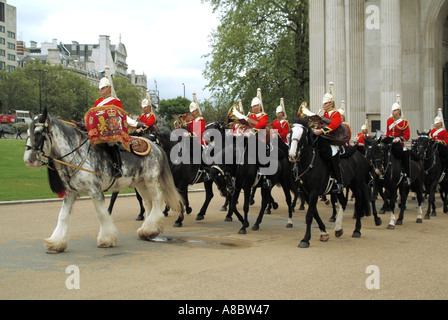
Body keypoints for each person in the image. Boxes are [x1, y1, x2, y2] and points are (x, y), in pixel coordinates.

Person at [312, 82, 344, 193]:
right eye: (323, 103)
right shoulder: (324, 114)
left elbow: (334, 126)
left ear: (331, 103)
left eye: (326, 103)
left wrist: (320, 131)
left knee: (333, 157)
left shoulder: (336, 114)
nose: (323, 105)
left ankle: (339, 182)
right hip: (323, 140)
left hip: (333, 141)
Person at [92, 75, 125, 178]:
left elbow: (119, 115)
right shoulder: (97, 102)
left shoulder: (115, 101)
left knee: (112, 143)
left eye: (103, 88)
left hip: (111, 129)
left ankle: (117, 167)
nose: (100, 91)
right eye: (100, 89)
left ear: (109, 88)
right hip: (99, 129)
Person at [385, 94, 411, 186]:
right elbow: (388, 132)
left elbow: (407, 136)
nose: (393, 112)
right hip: (390, 142)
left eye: (395, 110)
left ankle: (407, 175)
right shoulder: (389, 121)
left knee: (405, 156)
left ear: (399, 111)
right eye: (393, 110)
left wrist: (399, 139)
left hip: (399, 144)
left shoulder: (404, 122)